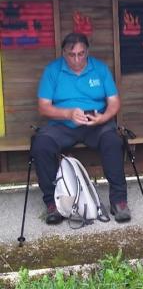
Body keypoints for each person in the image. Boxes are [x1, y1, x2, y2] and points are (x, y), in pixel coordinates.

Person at [30, 32, 131, 224]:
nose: (76, 59)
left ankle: (119, 201)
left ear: (87, 52)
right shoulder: (52, 70)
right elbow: (43, 107)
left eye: (81, 54)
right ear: (63, 52)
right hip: (62, 124)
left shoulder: (100, 69)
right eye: (71, 54)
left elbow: (114, 102)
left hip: (95, 121)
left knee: (113, 140)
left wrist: (104, 118)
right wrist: (68, 113)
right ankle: (53, 204)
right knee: (41, 144)